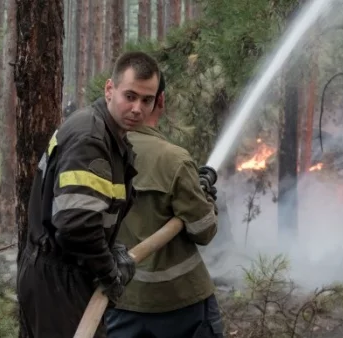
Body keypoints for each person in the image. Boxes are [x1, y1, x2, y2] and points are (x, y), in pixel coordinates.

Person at [17, 51, 162, 338]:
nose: (137, 108)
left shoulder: (107, 136)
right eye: (130, 96)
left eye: (147, 100)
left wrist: (111, 250)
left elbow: (93, 215)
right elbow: (77, 224)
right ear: (110, 89)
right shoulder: (91, 140)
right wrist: (109, 271)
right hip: (59, 281)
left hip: (59, 276)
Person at [105, 73, 225, 338]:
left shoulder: (100, 150)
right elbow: (203, 231)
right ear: (161, 101)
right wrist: (207, 201)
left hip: (120, 300)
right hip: (182, 303)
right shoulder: (174, 159)